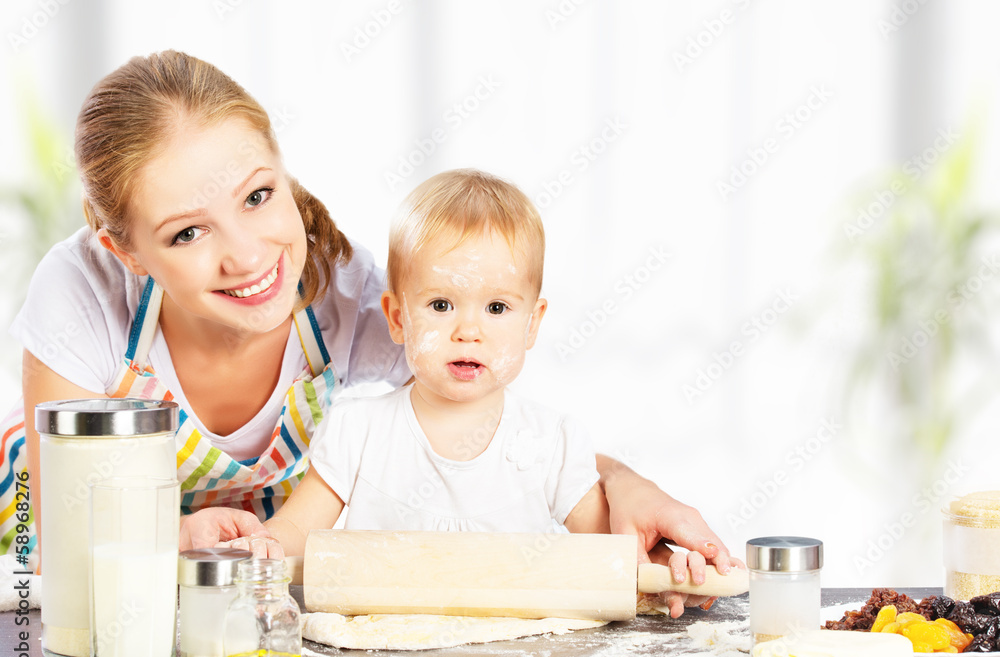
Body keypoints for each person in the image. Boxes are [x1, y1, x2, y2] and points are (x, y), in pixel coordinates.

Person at [0, 51, 734, 610]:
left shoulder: (345, 294)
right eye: (189, 232)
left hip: (247, 570)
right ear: (126, 251)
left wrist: (624, 484)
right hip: (71, 560)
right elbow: (57, 527)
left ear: (283, 170)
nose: (249, 255)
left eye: (258, 195)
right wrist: (164, 536)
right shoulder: (82, 294)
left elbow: (481, 414)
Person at [240, 168, 736, 615]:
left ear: (532, 324)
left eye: (497, 308)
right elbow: (293, 535)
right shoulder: (358, 431)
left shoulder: (550, 442)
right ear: (396, 317)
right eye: (440, 304)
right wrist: (256, 546)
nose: (468, 331)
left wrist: (668, 566)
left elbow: (611, 550)